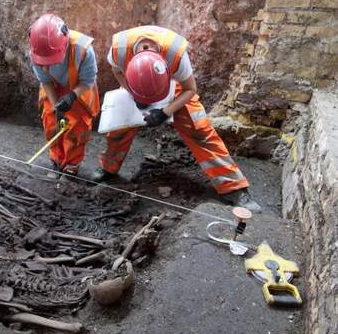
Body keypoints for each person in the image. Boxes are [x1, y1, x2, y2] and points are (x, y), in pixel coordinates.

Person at [93, 25, 261, 212]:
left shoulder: (177, 56)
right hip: (136, 86)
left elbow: (190, 89)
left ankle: (234, 188)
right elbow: (117, 71)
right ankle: (108, 167)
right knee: (119, 126)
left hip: (175, 89)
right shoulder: (118, 51)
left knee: (199, 130)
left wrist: (165, 111)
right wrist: (133, 93)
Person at [28, 13, 100, 177]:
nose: (45, 67)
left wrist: (71, 97)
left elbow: (88, 80)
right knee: (51, 121)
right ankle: (56, 160)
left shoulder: (83, 50)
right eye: (42, 63)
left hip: (79, 88)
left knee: (76, 126)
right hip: (52, 86)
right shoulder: (37, 48)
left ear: (64, 46)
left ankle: (71, 165)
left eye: (50, 62)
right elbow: (45, 80)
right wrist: (55, 107)